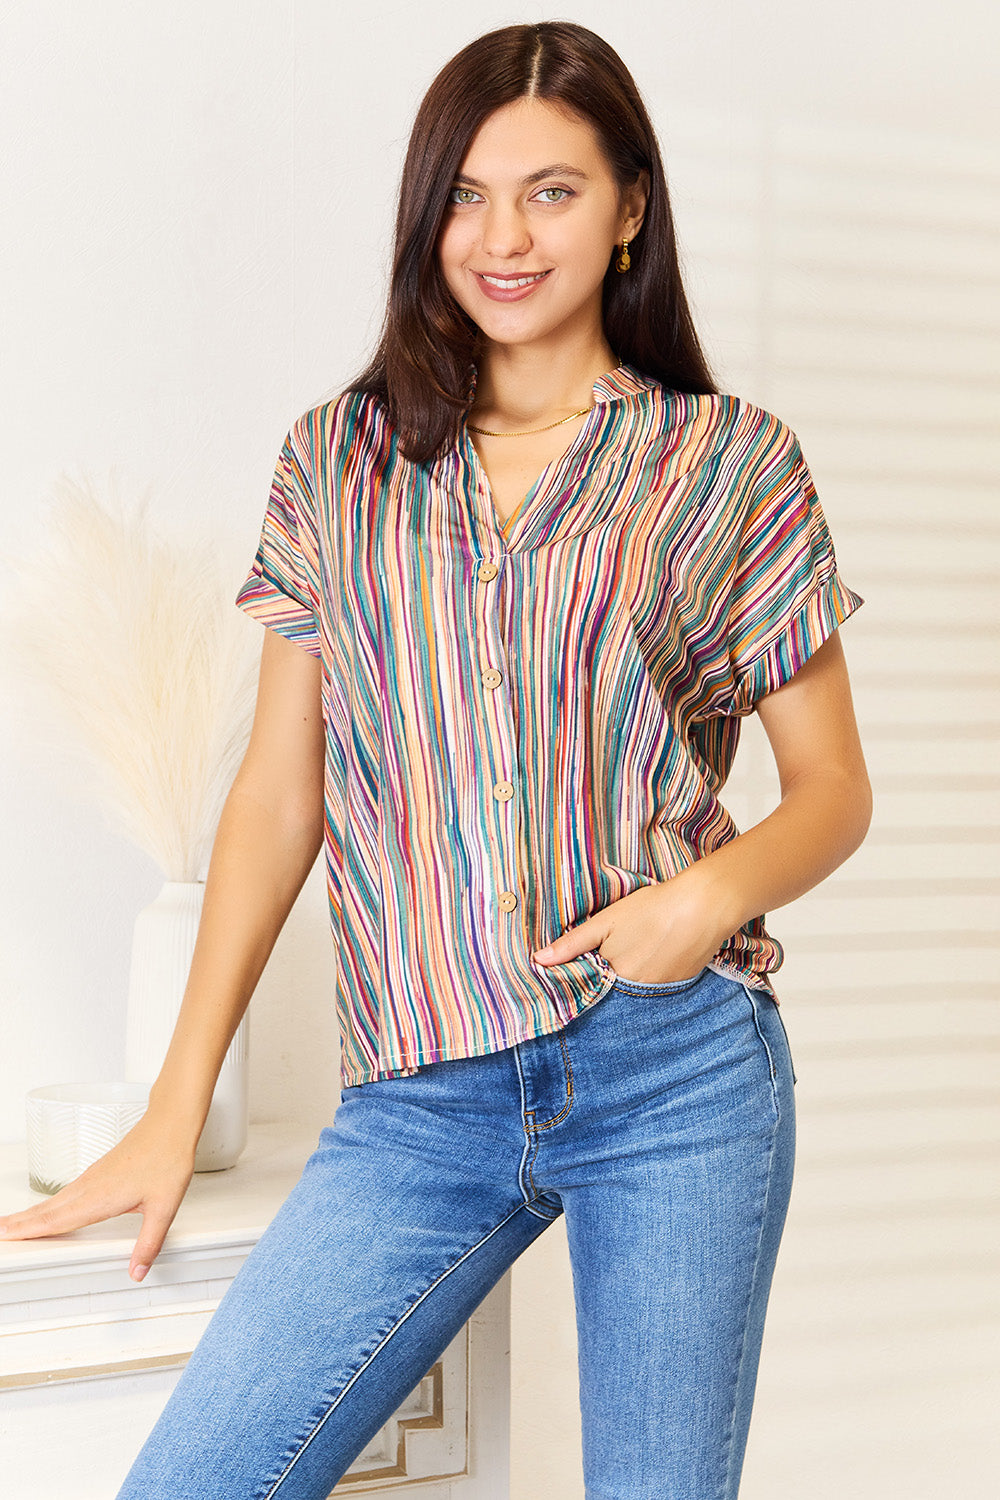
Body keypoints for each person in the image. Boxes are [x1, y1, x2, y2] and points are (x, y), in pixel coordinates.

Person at [0, 20, 871, 1499]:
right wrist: (171, 1102)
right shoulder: (339, 459)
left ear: (632, 207)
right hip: (419, 1089)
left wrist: (694, 905)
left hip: (675, 1074)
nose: (502, 235)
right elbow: (283, 795)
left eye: (551, 191)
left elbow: (835, 791)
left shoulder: (730, 463)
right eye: (466, 195)